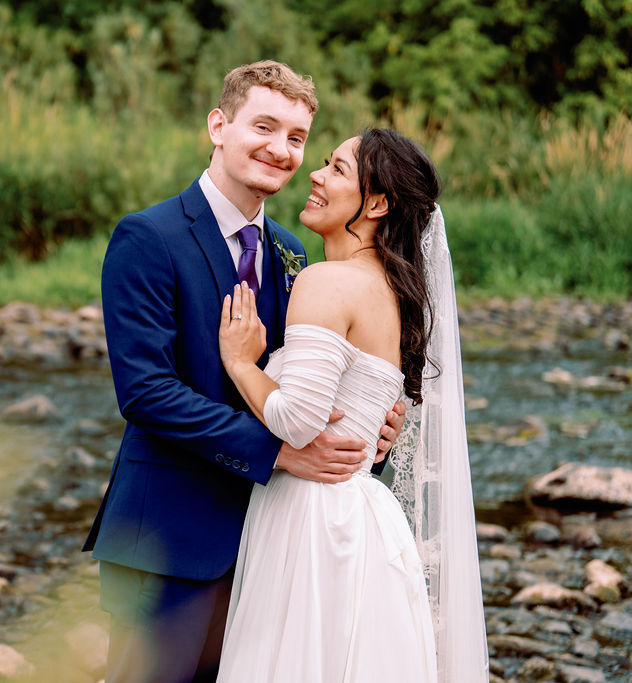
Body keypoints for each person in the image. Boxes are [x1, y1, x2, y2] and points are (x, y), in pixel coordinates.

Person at [82, 61, 406, 682]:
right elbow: (146, 393)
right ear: (218, 125)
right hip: (172, 537)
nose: (281, 150)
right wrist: (280, 452)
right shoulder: (148, 238)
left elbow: (308, 382)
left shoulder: (293, 249)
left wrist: (367, 428)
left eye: (296, 137)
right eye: (264, 126)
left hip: (275, 543)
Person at [215, 129, 488, 681]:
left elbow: (298, 421)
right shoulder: (395, 293)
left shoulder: (327, 282)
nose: (314, 176)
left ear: (378, 203)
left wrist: (243, 363)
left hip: (313, 520)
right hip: (364, 516)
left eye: (336, 169)